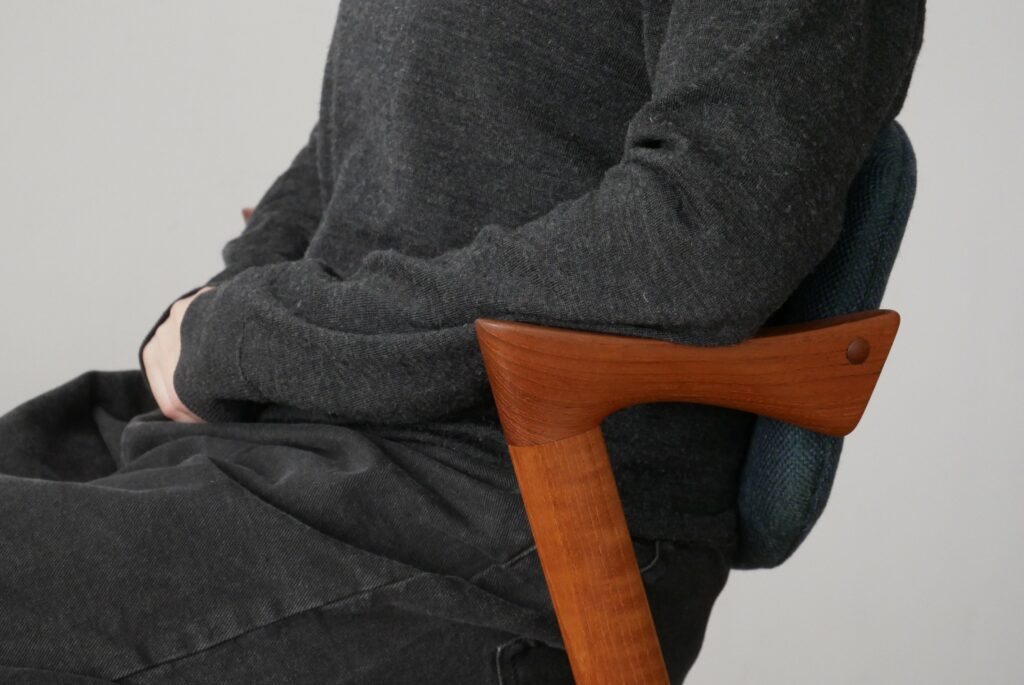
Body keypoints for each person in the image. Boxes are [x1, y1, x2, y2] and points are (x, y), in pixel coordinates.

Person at [0, 1, 924, 683]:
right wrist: (230, 303)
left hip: (512, 505)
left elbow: (702, 237)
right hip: (292, 434)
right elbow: (348, 151)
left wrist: (252, 338)